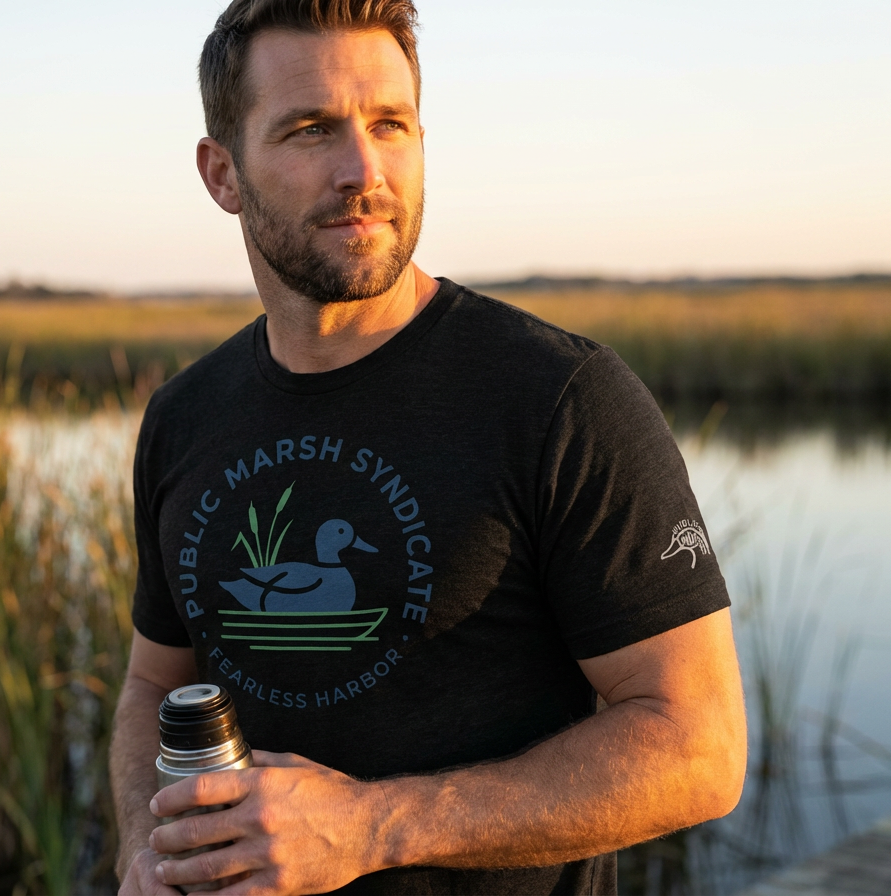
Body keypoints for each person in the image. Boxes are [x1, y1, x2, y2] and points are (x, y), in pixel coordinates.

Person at [110, 1, 748, 893]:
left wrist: (373, 828)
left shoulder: (562, 399)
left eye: (390, 125)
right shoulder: (183, 416)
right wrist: (146, 845)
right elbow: (151, 689)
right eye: (309, 130)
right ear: (223, 174)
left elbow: (700, 749)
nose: (363, 169)